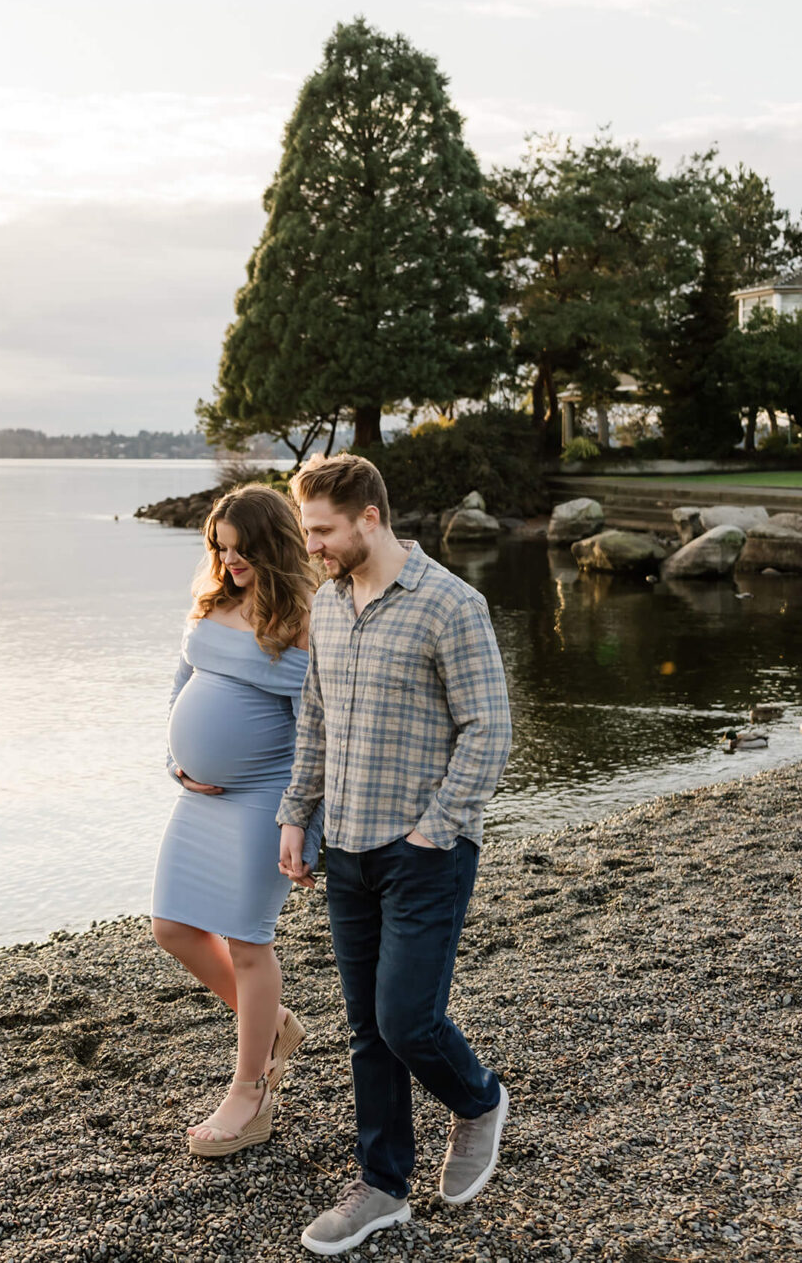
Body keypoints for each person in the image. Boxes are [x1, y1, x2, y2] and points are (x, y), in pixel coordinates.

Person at [275, 454, 514, 1256]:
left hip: (425, 852)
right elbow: (314, 722)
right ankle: (382, 1185)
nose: (311, 546)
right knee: (365, 1031)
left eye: (321, 531)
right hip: (345, 848)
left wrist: (436, 825)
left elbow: (489, 728)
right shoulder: (328, 605)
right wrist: (295, 818)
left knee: (407, 1018)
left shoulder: (452, 603)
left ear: (368, 517)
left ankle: (478, 1100)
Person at [151, 483, 324, 1157]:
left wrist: (302, 825)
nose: (228, 562)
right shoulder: (215, 602)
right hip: (198, 799)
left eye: (239, 549)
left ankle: (249, 1093)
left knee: (249, 944)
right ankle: (274, 1024)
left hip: (261, 801)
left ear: (272, 544)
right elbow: (179, 684)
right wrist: (177, 760)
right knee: (172, 928)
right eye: (218, 549)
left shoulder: (305, 622)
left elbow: (318, 735)